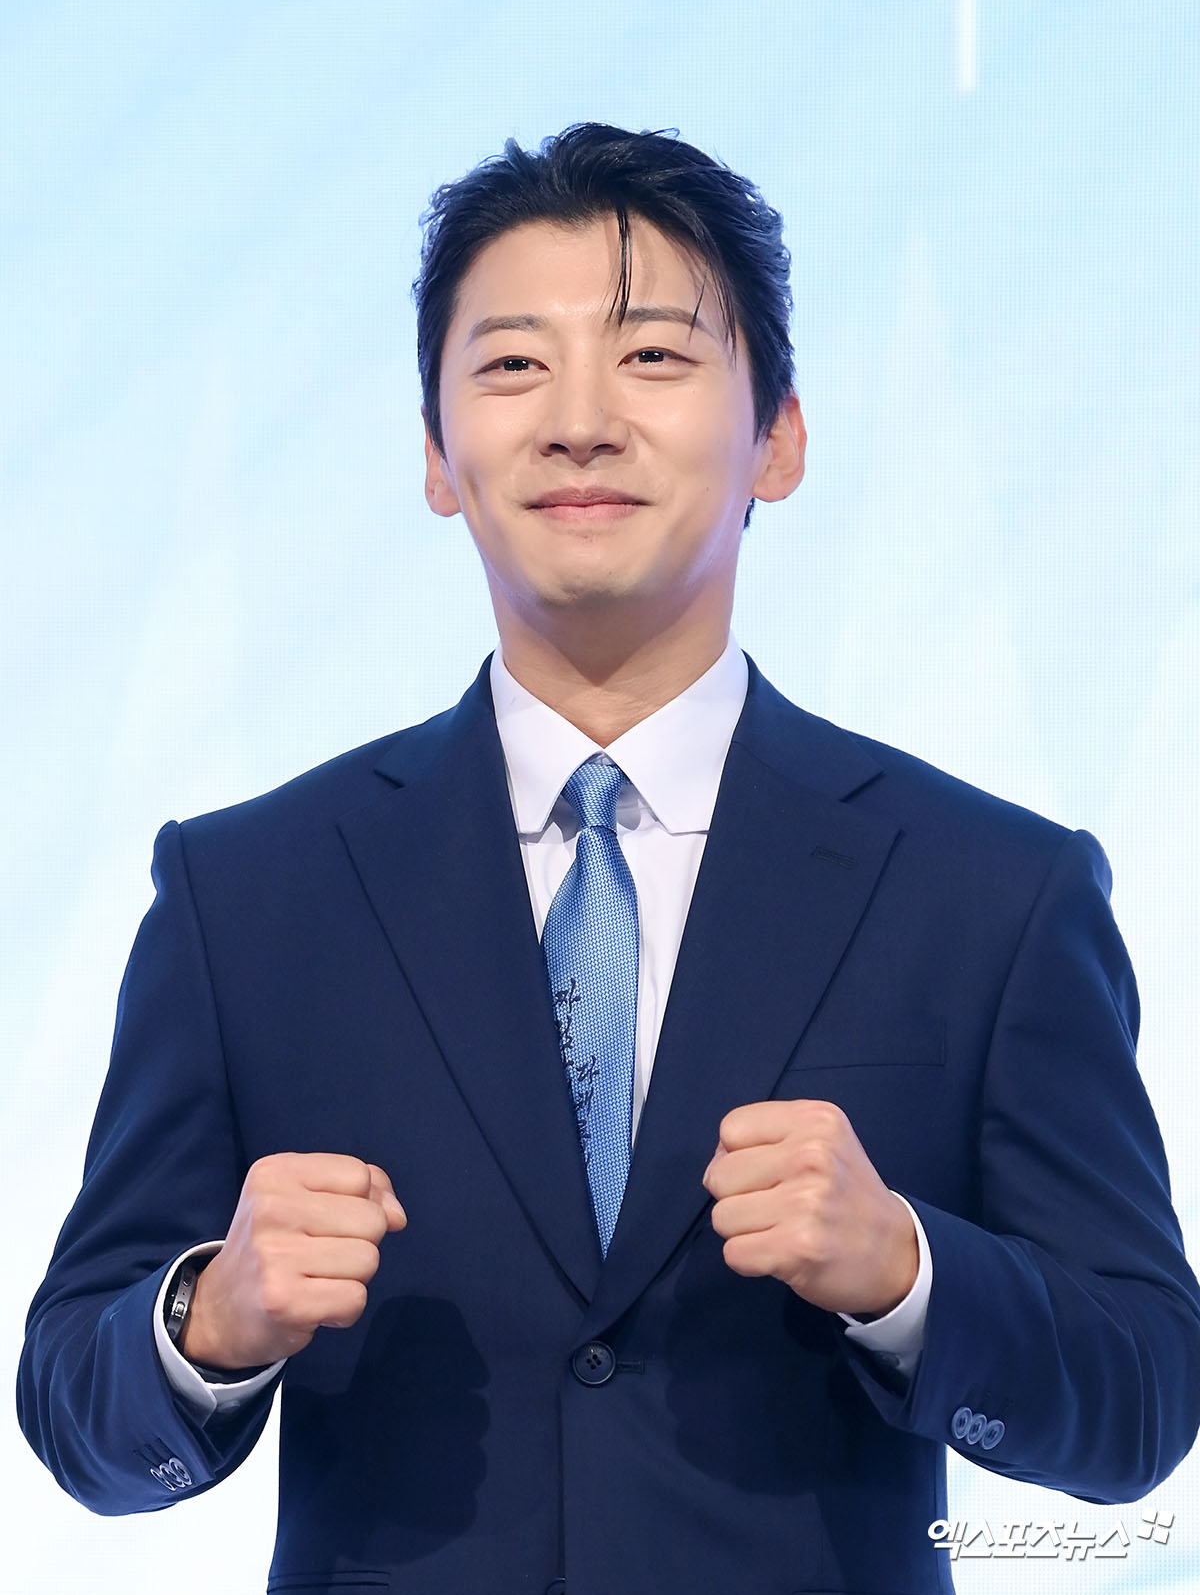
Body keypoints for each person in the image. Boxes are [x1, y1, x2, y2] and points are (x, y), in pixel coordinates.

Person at [18, 123, 1200, 1595]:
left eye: (651, 357)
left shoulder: (992, 890)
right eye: (514, 364)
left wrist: (910, 1271)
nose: (579, 423)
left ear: (779, 438)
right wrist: (207, 1321)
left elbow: (1143, 1399)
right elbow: (74, 1407)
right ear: (438, 457)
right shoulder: (250, 894)